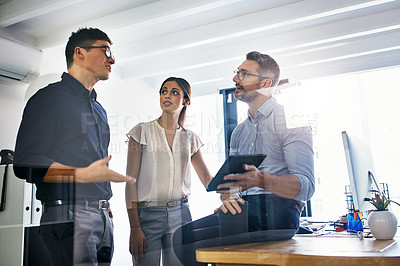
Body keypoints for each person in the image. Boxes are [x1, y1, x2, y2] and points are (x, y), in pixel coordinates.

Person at [172, 51, 315, 265]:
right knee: (181, 238)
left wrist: (261, 180)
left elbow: (307, 186)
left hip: (279, 213)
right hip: (246, 209)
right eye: (237, 73)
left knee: (185, 240)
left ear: (265, 83)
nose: (235, 79)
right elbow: (230, 185)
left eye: (243, 74)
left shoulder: (292, 121)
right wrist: (228, 199)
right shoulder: (239, 132)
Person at [13, 27, 132, 266]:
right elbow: (25, 163)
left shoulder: (99, 110)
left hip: (102, 215)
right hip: (68, 215)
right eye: (106, 50)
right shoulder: (48, 99)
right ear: (80, 52)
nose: (113, 59)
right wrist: (80, 175)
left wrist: (102, 206)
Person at [125, 77, 213, 266]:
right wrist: (134, 227)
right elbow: (130, 182)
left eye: (174, 92)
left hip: (181, 215)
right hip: (147, 216)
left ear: (186, 101)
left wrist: (232, 188)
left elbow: (208, 179)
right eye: (164, 91)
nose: (167, 95)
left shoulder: (190, 139)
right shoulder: (141, 131)